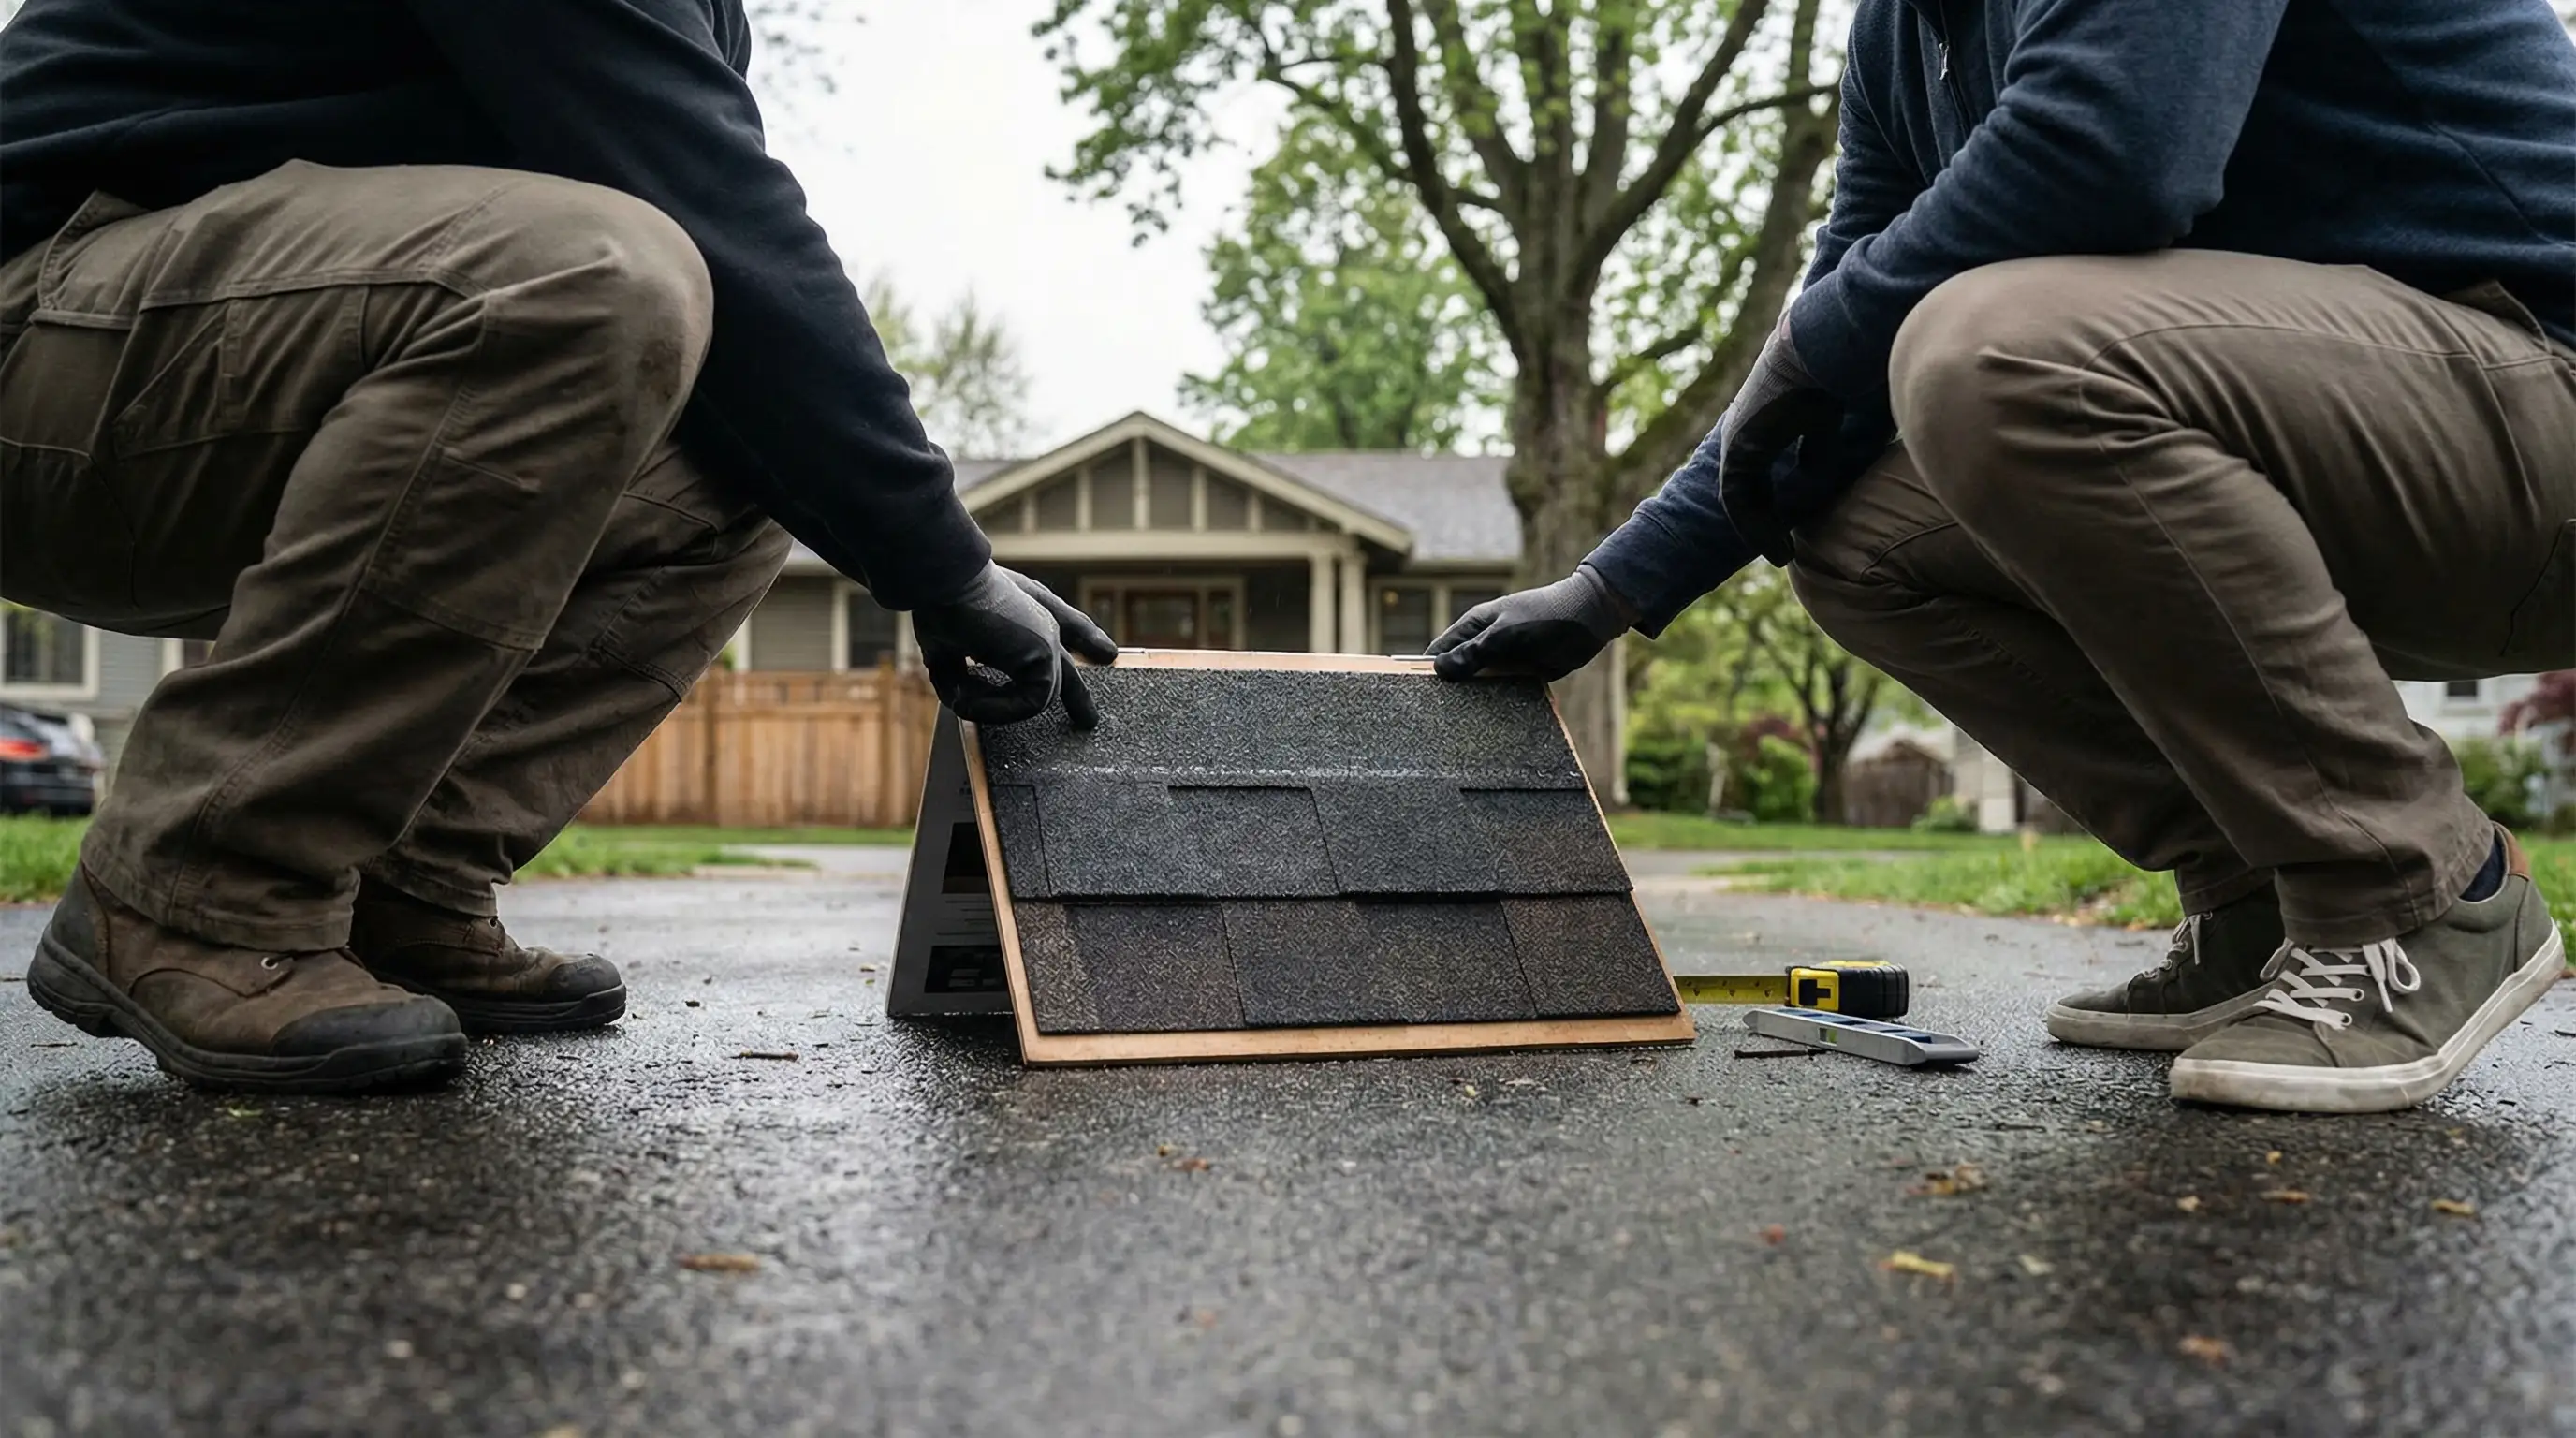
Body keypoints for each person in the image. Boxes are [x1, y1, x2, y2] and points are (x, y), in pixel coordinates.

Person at [1435, 1, 2576, 1113]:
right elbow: (1835, 343)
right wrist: (1614, 583)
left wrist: (1823, 339)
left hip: (2534, 389)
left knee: (1988, 352)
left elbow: (2115, 152)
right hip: (2367, 464)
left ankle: (2416, 890)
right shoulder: (1898, 35)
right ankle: (2258, 893)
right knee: (1850, 533)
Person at [0, 0, 1115, 1093]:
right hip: (46, 308)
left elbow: (740, 287)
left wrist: (918, 545)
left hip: (203, 365)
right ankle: (199, 889)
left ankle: (410, 888)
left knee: (752, 460)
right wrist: (942, 562)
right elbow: (708, 215)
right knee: (596, 275)